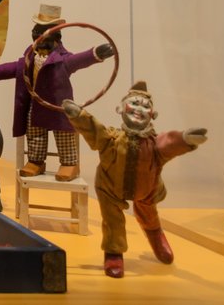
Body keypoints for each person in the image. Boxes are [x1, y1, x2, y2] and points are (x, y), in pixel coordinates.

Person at [63, 81, 206, 279]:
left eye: (145, 106)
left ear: (153, 115)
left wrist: (185, 139)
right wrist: (78, 115)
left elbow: (169, 143)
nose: (139, 110)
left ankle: (156, 237)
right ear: (120, 109)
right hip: (110, 189)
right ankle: (114, 252)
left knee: (149, 214)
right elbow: (93, 129)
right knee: (112, 221)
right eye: (134, 104)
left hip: (146, 189)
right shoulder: (111, 139)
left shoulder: (154, 144)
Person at [0, 3, 113, 181]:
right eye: (36, 35)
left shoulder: (63, 60)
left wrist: (96, 53)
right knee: (35, 136)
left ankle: (69, 163)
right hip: (37, 106)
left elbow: (80, 59)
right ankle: (36, 161)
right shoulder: (29, 58)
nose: (39, 40)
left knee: (64, 136)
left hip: (59, 108)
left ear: (56, 38)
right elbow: (12, 69)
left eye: (43, 36)